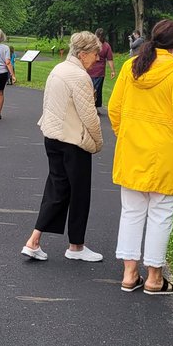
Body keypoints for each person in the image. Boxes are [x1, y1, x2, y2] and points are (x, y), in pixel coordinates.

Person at [108, 19, 173, 295]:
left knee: (131, 212)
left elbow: (114, 108)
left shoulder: (131, 66)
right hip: (166, 153)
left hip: (132, 149)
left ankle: (129, 274)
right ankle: (154, 278)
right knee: (161, 215)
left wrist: (127, 133)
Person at [21, 31, 105, 263]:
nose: (97, 58)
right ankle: (76, 246)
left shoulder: (58, 69)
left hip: (53, 137)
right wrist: (98, 142)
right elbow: (89, 116)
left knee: (57, 190)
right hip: (73, 141)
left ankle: (33, 241)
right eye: (95, 53)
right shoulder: (79, 76)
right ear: (83, 53)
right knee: (79, 194)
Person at [87, 27, 115, 110]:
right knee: (97, 90)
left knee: (91, 89)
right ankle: (94, 107)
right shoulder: (106, 46)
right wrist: (112, 71)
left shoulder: (91, 45)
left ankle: (92, 107)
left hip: (91, 69)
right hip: (98, 71)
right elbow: (109, 59)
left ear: (95, 34)